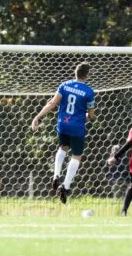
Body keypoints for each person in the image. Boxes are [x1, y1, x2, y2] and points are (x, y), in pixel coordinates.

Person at [30, 62, 96, 204]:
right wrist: (87, 117)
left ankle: (55, 175)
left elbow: (52, 104)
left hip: (63, 124)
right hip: (77, 127)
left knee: (63, 148)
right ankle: (65, 186)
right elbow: (91, 115)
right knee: (77, 156)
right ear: (87, 75)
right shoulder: (89, 92)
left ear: (75, 72)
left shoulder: (64, 85)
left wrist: (37, 117)